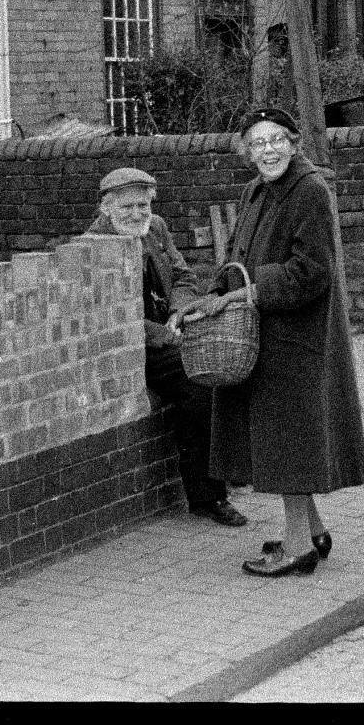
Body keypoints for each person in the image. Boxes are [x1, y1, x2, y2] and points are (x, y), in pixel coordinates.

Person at [175, 107, 364, 576]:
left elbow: (312, 272)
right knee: (285, 440)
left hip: (299, 339)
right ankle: (313, 531)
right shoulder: (256, 190)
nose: (268, 151)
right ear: (246, 153)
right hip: (266, 334)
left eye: (276, 140)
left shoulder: (310, 191)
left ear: (294, 142)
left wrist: (246, 293)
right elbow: (237, 255)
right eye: (257, 143)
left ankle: (299, 546)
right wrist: (213, 296)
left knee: (289, 443)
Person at [84, 166, 247, 528]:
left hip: (168, 334)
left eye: (143, 204)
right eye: (127, 207)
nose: (137, 214)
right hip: (129, 349)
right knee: (200, 383)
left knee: (230, 363)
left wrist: (178, 311)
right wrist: (163, 333)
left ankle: (232, 468)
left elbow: (183, 275)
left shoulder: (155, 229)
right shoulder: (94, 247)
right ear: (106, 208)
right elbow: (110, 317)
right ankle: (208, 497)